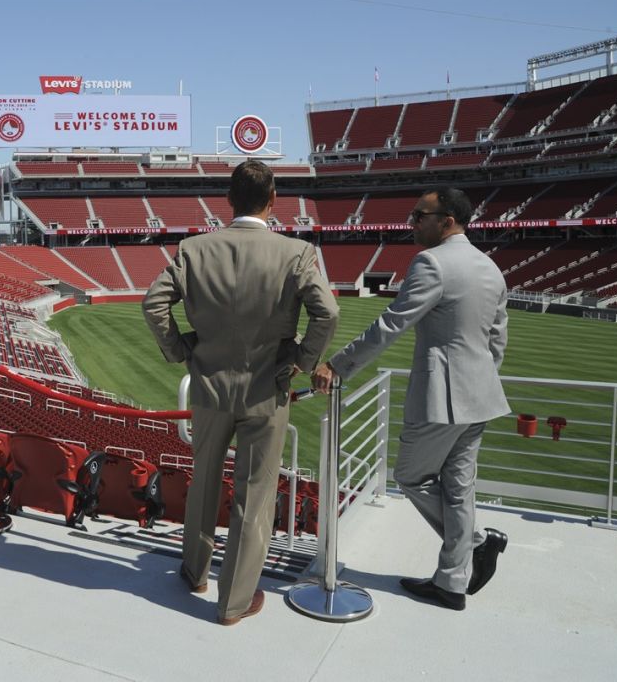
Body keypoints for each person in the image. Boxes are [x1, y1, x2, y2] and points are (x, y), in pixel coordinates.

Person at [143, 160, 339, 625]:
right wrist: (301, 361)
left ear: (228, 200)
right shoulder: (296, 252)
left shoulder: (194, 249)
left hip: (209, 387)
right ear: (274, 201)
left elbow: (153, 303)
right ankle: (234, 602)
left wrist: (182, 349)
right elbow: (327, 314)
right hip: (265, 390)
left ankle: (194, 571)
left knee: (204, 482)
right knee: (255, 494)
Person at [310, 187, 510, 611]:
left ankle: (475, 544)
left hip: (443, 397)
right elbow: (497, 339)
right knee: (458, 489)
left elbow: (391, 324)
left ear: (448, 221)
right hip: (482, 395)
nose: (413, 222)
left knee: (412, 477)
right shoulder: (491, 268)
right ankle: (452, 583)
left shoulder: (432, 262)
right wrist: (481, 379)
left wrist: (338, 364)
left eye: (420, 215)